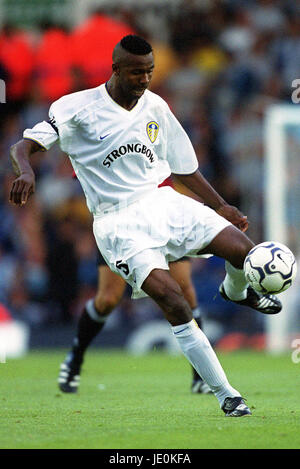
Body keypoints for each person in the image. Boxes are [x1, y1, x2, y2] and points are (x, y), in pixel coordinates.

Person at [9, 35, 282, 417]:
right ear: (116, 69)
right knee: (173, 300)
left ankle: (236, 291)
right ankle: (227, 394)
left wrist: (221, 205)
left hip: (163, 202)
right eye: (137, 73)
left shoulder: (155, 105)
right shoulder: (77, 108)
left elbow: (184, 166)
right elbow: (23, 146)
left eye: (150, 72)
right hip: (118, 224)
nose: (145, 80)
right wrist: (26, 173)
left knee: (242, 248)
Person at [59, 249, 212, 395]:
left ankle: (200, 377)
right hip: (123, 228)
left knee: (183, 289)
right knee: (107, 299)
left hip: (161, 226)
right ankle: (75, 357)